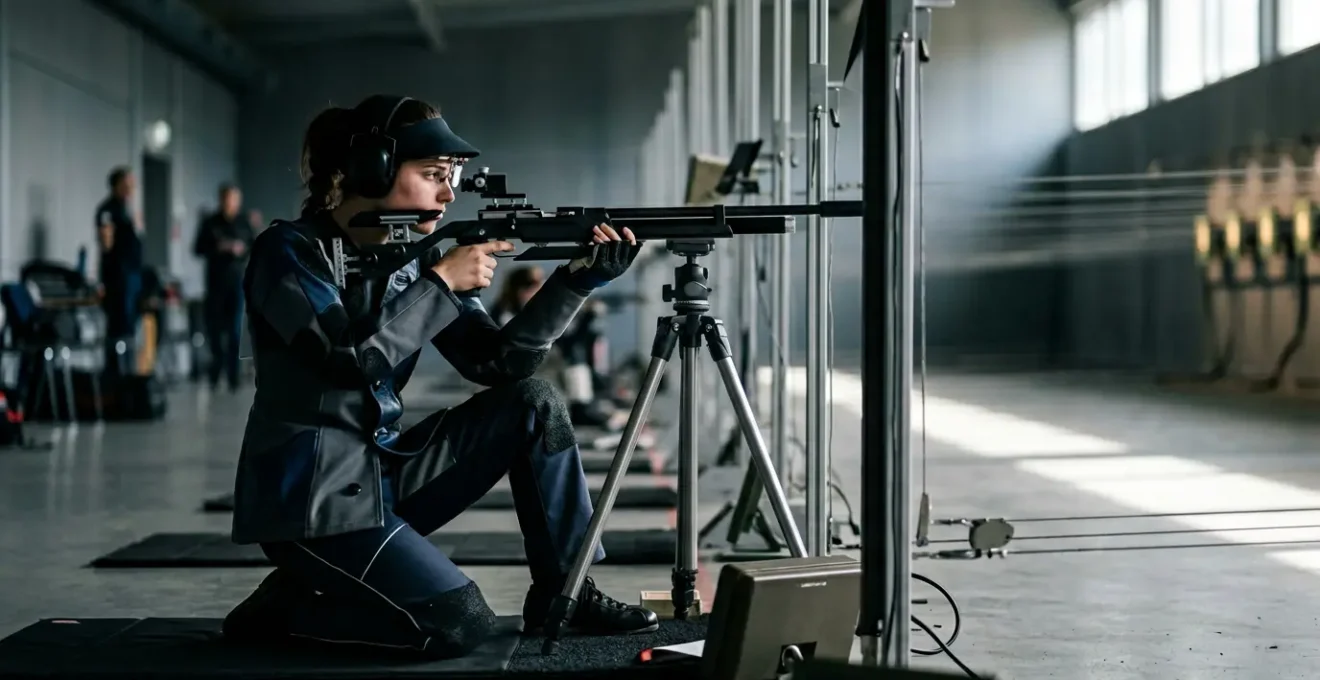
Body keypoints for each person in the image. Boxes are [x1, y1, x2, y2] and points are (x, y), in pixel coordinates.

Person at [220, 94, 658, 659]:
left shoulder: (411, 261)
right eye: (432, 174)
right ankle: (284, 611)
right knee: (456, 624)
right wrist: (442, 285)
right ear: (371, 170)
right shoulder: (287, 251)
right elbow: (343, 360)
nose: (448, 193)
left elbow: (497, 364)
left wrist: (573, 283)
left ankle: (566, 591)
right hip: (310, 501)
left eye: (450, 176)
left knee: (534, 402)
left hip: (383, 476)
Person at [193, 183, 256, 391]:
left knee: (235, 332)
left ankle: (233, 376)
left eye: (234, 199)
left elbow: (255, 248)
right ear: (221, 199)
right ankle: (215, 370)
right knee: (214, 331)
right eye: (227, 198)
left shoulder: (244, 222)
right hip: (215, 285)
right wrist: (218, 248)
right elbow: (198, 248)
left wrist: (241, 250)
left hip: (237, 283)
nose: (230, 203)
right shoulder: (210, 222)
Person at [94, 167, 144, 374]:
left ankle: (129, 372)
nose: (132, 188)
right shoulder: (108, 210)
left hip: (133, 274)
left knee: (130, 327)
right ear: (117, 185)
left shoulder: (128, 209)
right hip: (117, 277)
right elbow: (106, 245)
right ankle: (116, 374)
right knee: (118, 326)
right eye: (127, 184)